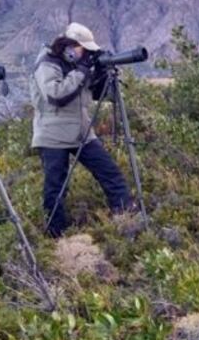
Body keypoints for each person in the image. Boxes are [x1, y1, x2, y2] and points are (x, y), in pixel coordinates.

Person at [31, 22, 134, 237]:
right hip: (53, 136)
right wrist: (82, 71)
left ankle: (126, 219)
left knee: (110, 174)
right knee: (56, 188)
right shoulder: (47, 63)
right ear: (69, 46)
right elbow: (56, 95)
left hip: (82, 132)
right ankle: (56, 236)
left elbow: (99, 95)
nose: (86, 54)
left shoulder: (79, 67)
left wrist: (101, 75)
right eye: (84, 50)